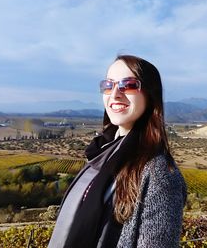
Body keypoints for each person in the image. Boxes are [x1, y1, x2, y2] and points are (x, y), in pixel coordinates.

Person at [48, 54, 187, 248]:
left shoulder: (159, 174)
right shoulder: (102, 153)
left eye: (128, 85)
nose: (115, 94)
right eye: (108, 85)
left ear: (150, 94)